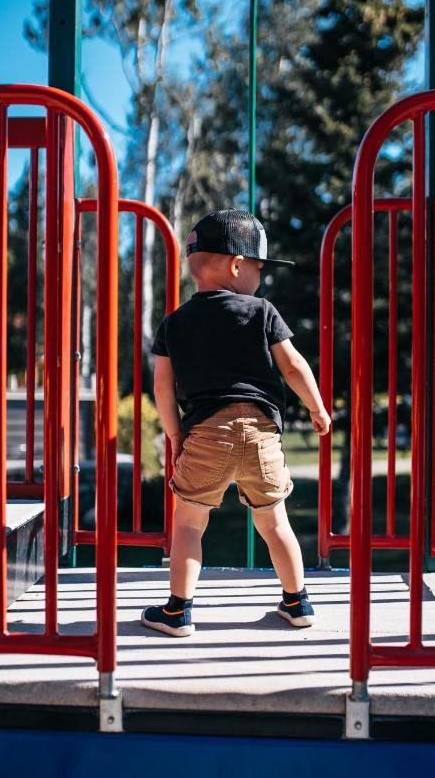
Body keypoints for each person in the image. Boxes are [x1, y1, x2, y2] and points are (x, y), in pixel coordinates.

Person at [141, 210, 331, 637]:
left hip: (206, 432)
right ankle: (297, 602)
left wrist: (175, 434)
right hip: (262, 431)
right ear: (236, 265)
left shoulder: (175, 323)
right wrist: (317, 407)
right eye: (259, 269)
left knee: (189, 522)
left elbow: (163, 386)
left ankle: (177, 611)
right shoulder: (262, 311)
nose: (261, 279)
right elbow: (294, 365)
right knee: (274, 521)